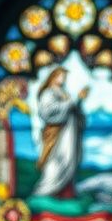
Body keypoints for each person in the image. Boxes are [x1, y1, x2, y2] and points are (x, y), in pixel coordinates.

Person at [32, 67, 89, 198]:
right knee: (56, 162)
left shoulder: (63, 93)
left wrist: (79, 101)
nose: (63, 79)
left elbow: (73, 110)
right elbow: (47, 112)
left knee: (69, 160)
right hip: (57, 136)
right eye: (61, 76)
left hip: (69, 135)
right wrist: (73, 101)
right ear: (53, 77)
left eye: (64, 76)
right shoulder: (48, 93)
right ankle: (45, 191)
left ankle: (66, 193)